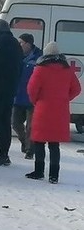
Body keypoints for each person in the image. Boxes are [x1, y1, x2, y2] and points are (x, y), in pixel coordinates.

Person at [25, 41, 81, 183]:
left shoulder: (40, 69)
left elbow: (31, 89)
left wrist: (36, 100)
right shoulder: (67, 70)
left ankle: (39, 171)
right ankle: (54, 175)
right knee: (54, 144)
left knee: (39, 142)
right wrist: (64, 98)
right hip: (60, 110)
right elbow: (76, 89)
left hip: (43, 109)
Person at [0, 19, 23, 166]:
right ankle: (4, 153)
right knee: (5, 120)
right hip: (11, 88)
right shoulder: (15, 43)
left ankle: (2, 153)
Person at [13, 33, 42, 159]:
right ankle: (25, 142)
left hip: (33, 98)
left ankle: (30, 150)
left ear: (28, 44)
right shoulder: (17, 56)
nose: (19, 45)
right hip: (18, 95)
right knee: (15, 123)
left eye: (21, 43)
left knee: (31, 126)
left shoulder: (39, 58)